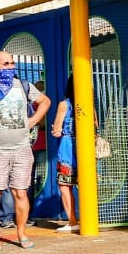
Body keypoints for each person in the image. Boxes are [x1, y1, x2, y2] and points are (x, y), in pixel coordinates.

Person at [0, 51, 50, 251]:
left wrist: (33, 121)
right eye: (5, 64)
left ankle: (22, 233)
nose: (9, 67)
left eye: (12, 63)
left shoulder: (23, 86)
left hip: (22, 149)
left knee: (20, 193)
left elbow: (45, 101)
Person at [50, 76, 80, 233]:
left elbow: (57, 131)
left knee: (65, 185)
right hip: (84, 146)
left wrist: (55, 129)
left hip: (68, 147)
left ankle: (73, 220)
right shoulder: (89, 103)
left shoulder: (64, 105)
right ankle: (89, 218)